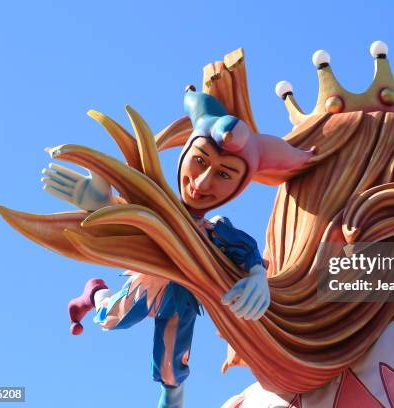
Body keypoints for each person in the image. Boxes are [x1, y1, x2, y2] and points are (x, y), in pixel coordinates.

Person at [40, 89, 313, 408]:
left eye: (224, 174)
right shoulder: (158, 208)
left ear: (239, 185)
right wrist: (101, 204)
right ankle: (94, 292)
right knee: (111, 318)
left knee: (171, 365)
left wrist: (257, 278)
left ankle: (171, 396)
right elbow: (132, 215)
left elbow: (247, 252)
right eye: (200, 160)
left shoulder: (218, 229)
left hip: (183, 296)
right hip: (149, 282)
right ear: (186, 154)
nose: (202, 182)